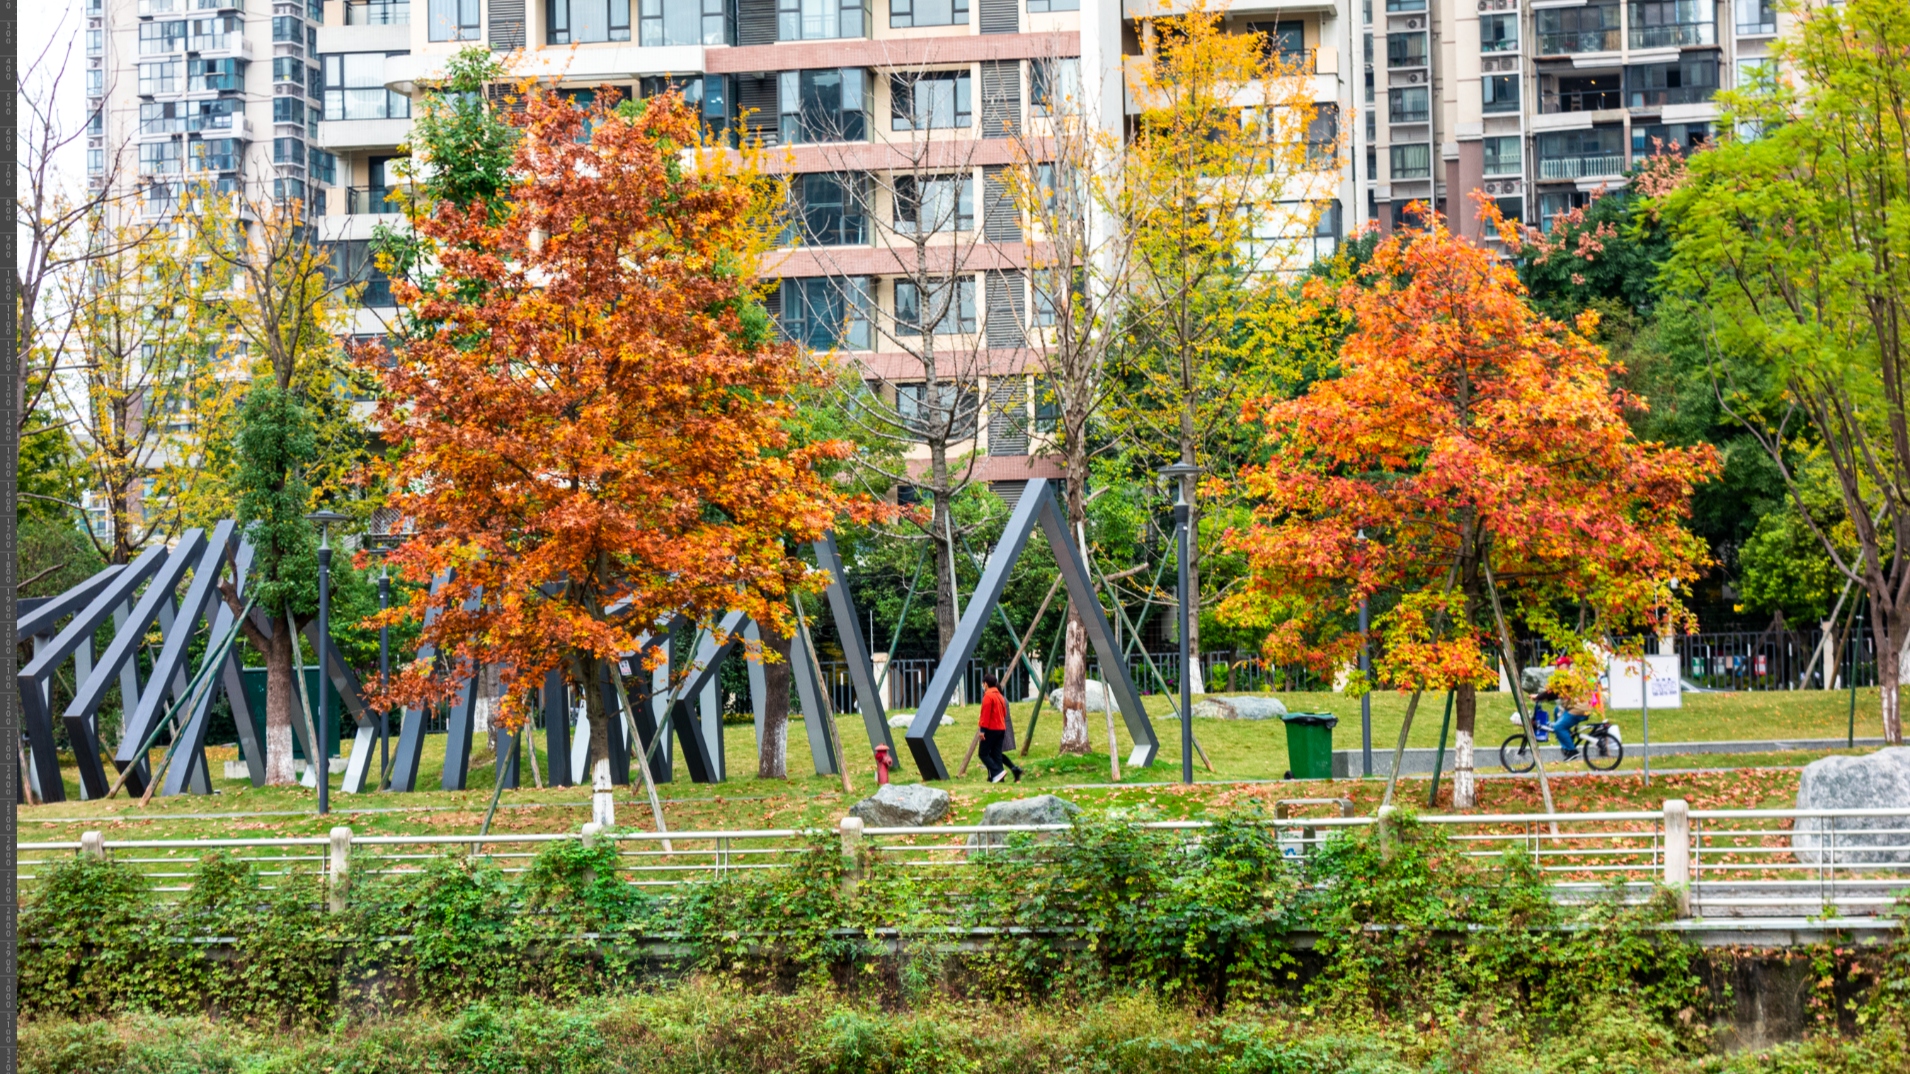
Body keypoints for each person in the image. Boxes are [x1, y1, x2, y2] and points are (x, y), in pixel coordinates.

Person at [977, 673, 1022, 783]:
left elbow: (985, 714)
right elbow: (1004, 713)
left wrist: (982, 730)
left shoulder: (988, 696)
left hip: (991, 728)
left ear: (985, 684)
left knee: (983, 753)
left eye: (983, 683)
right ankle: (1000, 778)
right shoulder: (1000, 697)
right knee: (996, 754)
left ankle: (997, 772)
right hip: (1001, 728)